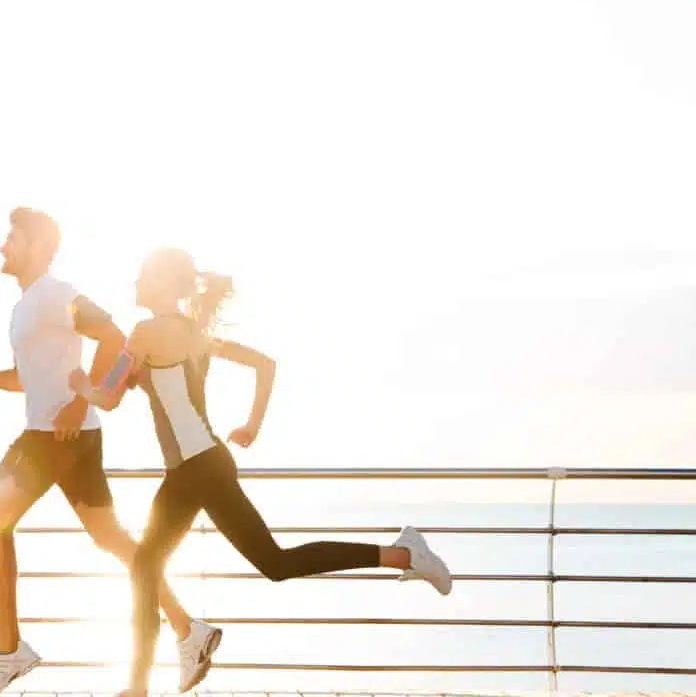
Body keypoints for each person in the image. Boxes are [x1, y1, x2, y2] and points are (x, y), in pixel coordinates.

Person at [69, 247, 454, 697]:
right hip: (195, 469)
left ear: (160, 284)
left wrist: (80, 385)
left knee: (271, 563)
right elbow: (264, 365)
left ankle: (404, 554)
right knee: (146, 564)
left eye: (141, 277)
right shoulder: (194, 332)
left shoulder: (144, 333)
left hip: (199, 471)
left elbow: (108, 396)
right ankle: (170, 656)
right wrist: (251, 425)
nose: (134, 283)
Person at [0, 209, 223, 697]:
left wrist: (78, 401)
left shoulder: (55, 294)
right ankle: (190, 629)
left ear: (37, 246)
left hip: (53, 438)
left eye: (11, 238)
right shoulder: (25, 307)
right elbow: (28, 380)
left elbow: (115, 337)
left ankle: (9, 648)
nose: (2, 247)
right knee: (112, 539)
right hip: (74, 437)